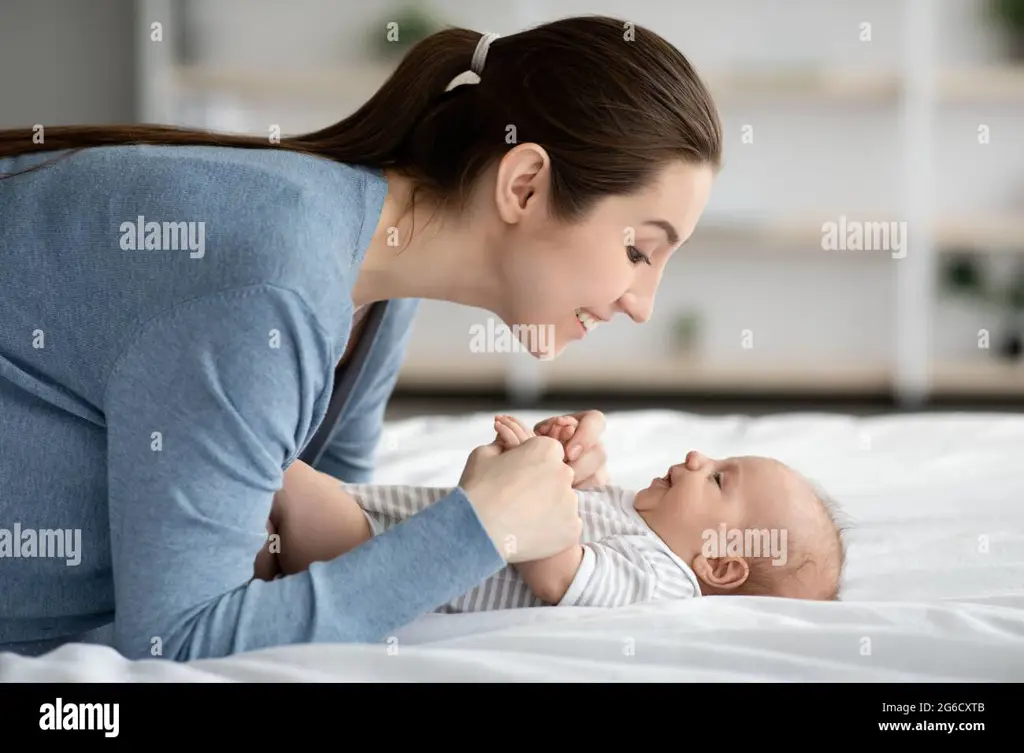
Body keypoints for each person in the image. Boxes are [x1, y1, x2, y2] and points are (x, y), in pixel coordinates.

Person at [0, 15, 722, 660]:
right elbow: (183, 639)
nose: (643, 303)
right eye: (639, 250)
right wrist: (480, 528)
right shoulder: (275, 291)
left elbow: (316, 530)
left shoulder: (376, 282)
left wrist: (548, 504)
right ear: (525, 185)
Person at [256, 414, 847, 606]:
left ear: (718, 566)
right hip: (382, 520)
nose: (697, 454)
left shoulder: (662, 581)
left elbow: (558, 570)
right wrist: (570, 459)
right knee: (268, 503)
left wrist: (529, 477)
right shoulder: (643, 521)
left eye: (719, 479)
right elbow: (585, 509)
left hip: (384, 555)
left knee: (273, 473)